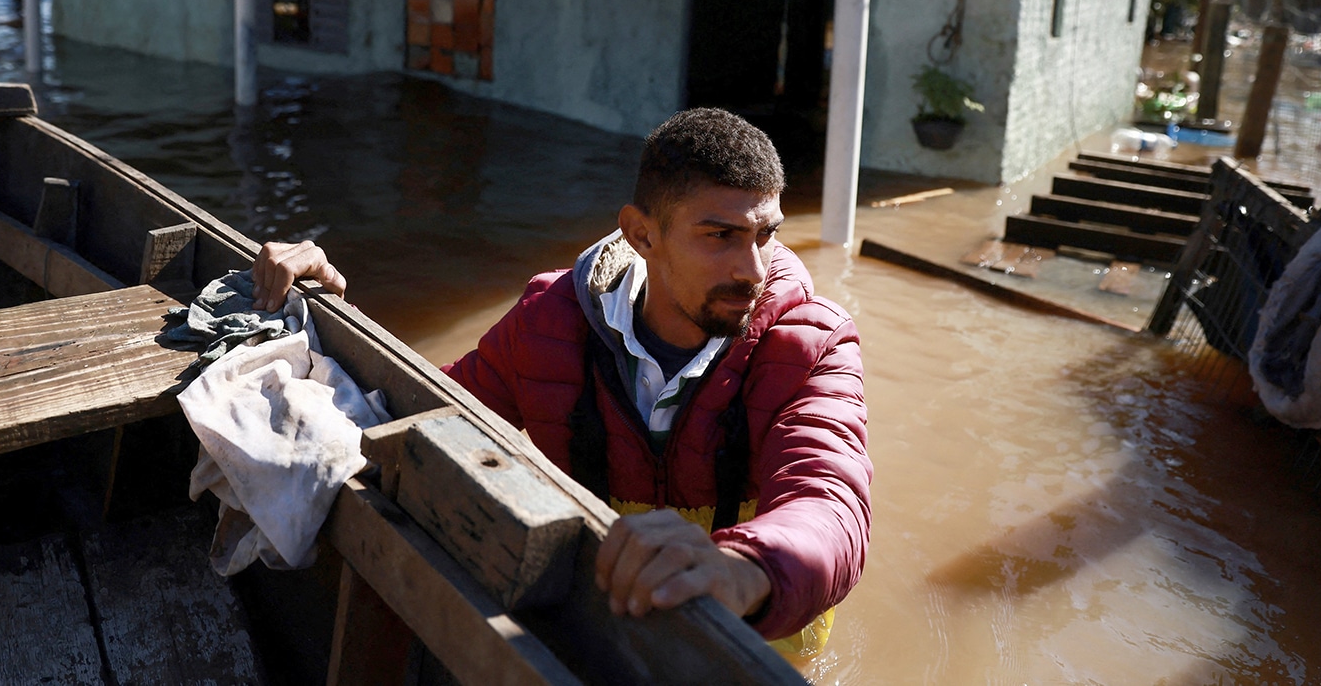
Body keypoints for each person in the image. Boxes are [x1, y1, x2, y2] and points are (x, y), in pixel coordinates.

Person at [253, 108, 871, 656]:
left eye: (766, 233)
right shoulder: (551, 322)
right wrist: (327, 314)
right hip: (600, 629)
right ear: (641, 234)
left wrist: (739, 568)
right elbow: (415, 413)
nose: (753, 268)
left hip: (758, 644)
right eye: (721, 236)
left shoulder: (810, 344)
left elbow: (831, 504)